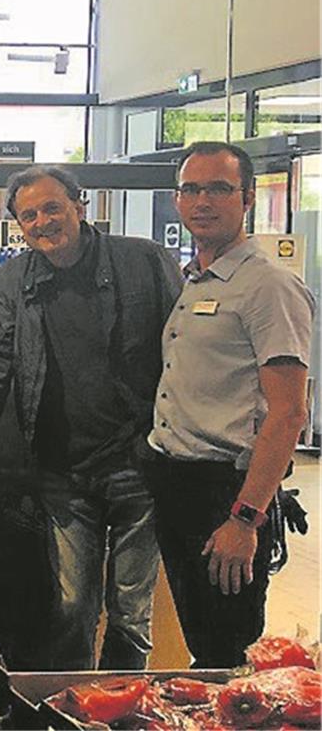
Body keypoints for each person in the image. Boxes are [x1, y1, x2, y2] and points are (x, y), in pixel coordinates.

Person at [0, 165, 182, 670]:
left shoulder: (143, 261)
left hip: (138, 462)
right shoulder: (16, 279)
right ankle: (73, 711)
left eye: (52, 208)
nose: (42, 221)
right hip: (62, 471)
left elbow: (184, 355)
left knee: (130, 610)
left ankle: (124, 712)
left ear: (80, 207)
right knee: (70, 606)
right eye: (29, 215)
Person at [142, 141, 314, 668]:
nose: (203, 201)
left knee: (228, 653)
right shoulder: (196, 281)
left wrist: (245, 518)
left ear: (247, 198)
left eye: (219, 188)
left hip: (226, 491)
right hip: (177, 483)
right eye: (191, 189)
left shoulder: (268, 287)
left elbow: (289, 412)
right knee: (202, 644)